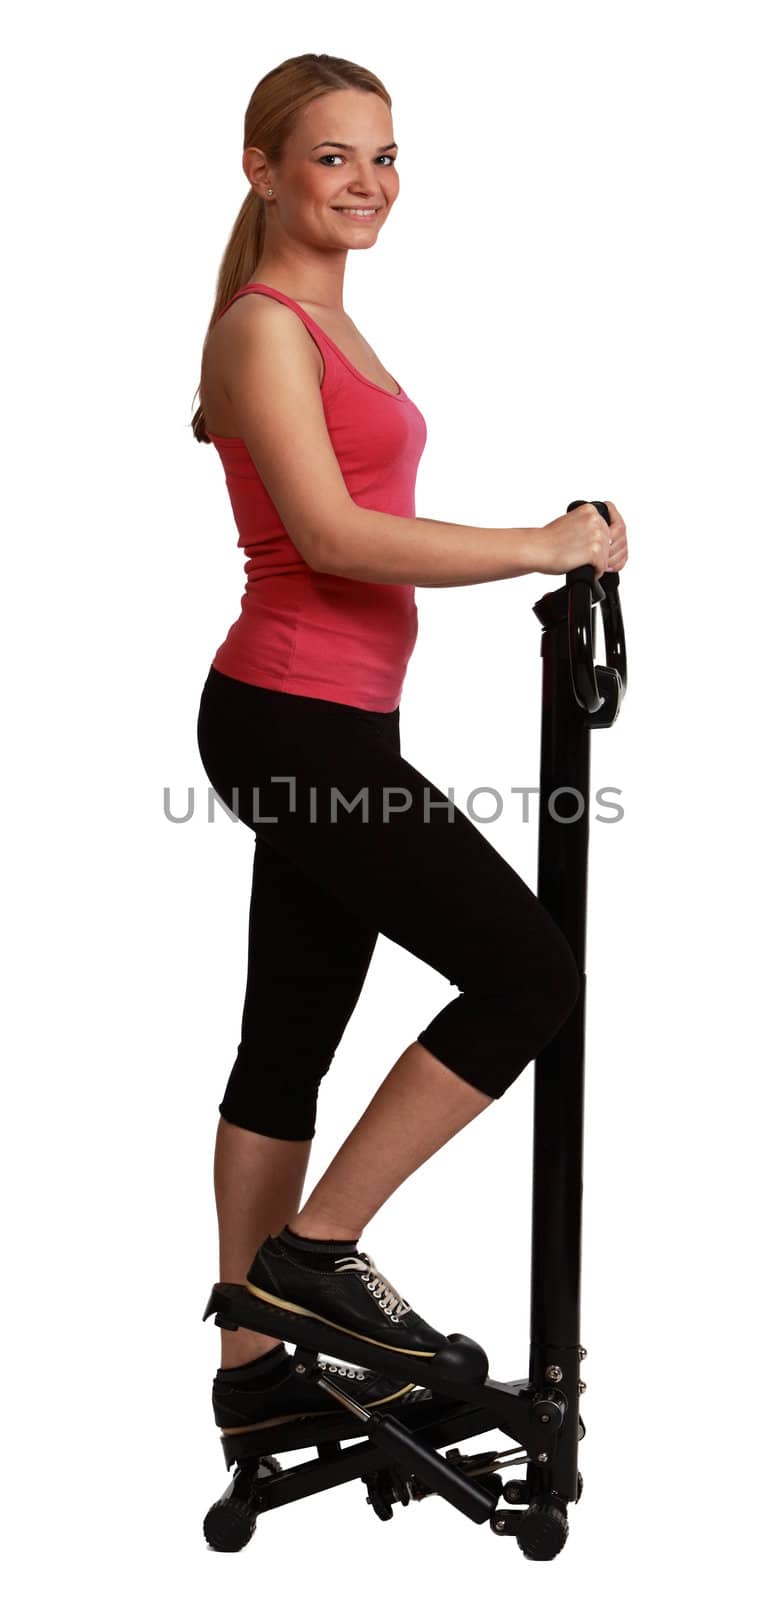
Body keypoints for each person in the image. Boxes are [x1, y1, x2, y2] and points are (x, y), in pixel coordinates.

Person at [191, 52, 629, 1441]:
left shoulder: (333, 322)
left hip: (333, 720)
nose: (369, 183)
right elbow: (331, 538)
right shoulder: (264, 326)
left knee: (287, 1044)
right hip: (288, 719)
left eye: (386, 157)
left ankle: (254, 1378)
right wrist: (539, 547)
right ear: (263, 168)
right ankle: (319, 1261)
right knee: (527, 975)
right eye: (334, 157)